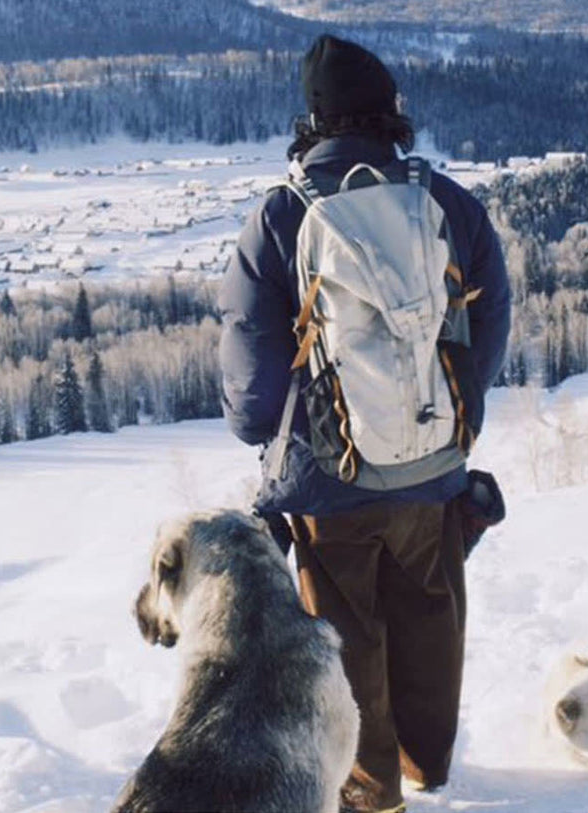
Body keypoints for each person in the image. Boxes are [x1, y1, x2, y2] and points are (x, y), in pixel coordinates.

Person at [218, 34, 512, 813]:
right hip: (432, 467)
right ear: (392, 116)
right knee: (429, 610)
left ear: (310, 121)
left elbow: (252, 386)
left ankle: (370, 789)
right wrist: (454, 420)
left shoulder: (280, 218)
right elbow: (489, 324)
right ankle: (428, 763)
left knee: (345, 638)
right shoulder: (446, 203)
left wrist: (271, 443)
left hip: (327, 479)